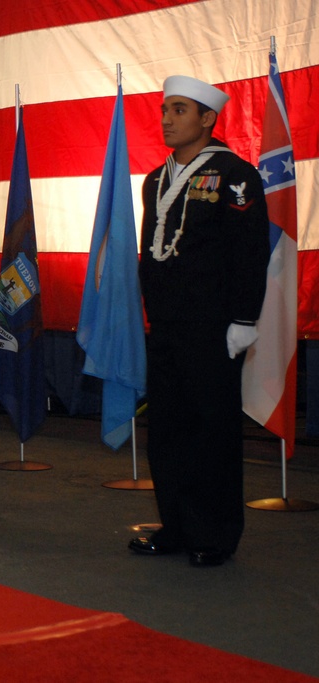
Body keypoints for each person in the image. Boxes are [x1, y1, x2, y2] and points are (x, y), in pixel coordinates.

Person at [129, 75, 270, 567]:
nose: (167, 119)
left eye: (180, 110)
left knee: (212, 429)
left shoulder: (235, 175)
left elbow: (250, 253)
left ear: (208, 119)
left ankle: (215, 533)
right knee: (167, 428)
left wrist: (244, 318)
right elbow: (151, 251)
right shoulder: (155, 178)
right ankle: (177, 525)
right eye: (165, 109)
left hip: (213, 328)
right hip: (166, 326)